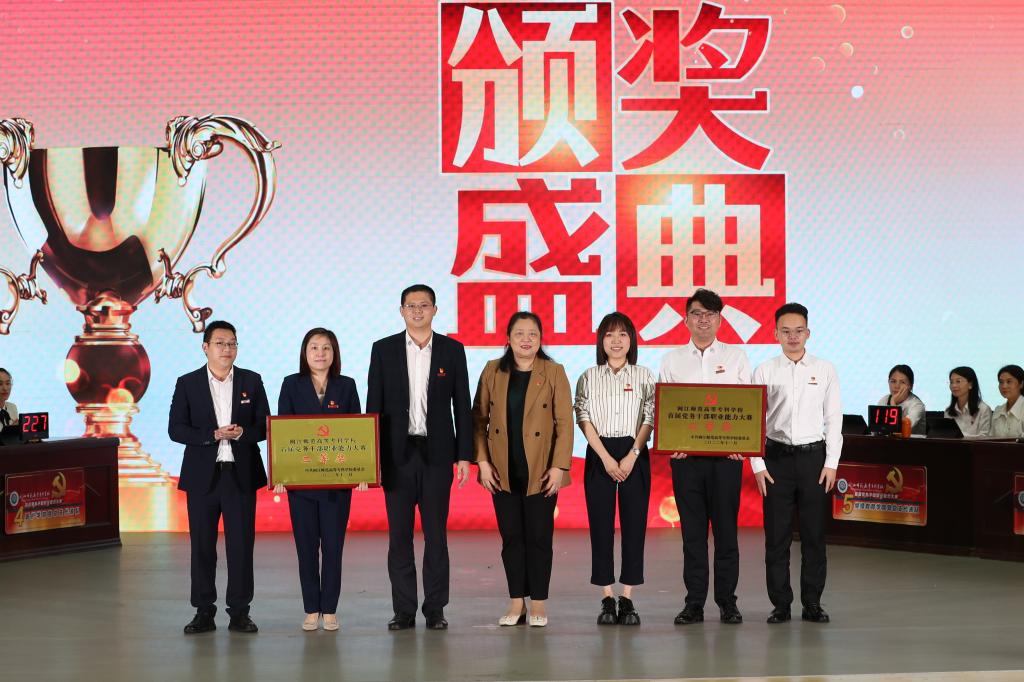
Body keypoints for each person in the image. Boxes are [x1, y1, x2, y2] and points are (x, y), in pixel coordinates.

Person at [366, 284, 473, 631]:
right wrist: (372, 459)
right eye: (410, 305)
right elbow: (373, 406)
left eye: (423, 305)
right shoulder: (383, 350)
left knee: (436, 536)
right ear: (401, 311)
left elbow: (463, 405)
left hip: (438, 455)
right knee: (399, 537)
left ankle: (435, 609)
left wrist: (464, 456)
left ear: (435, 310)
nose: (417, 311)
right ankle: (404, 610)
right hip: (396, 456)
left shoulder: (452, 350)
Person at [168, 320, 270, 635]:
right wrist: (212, 434)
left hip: (240, 475)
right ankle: (203, 611)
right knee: (202, 546)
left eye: (232, 343)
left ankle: (240, 612)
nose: (227, 349)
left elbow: (265, 425)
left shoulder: (252, 381)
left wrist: (242, 433)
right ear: (206, 347)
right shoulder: (188, 383)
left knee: (241, 546)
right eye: (220, 343)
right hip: (203, 477)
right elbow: (176, 429)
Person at [473, 311, 573, 627]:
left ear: (541, 339)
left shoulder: (554, 371)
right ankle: (516, 601)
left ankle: (539, 602)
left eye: (533, 334)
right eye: (519, 333)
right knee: (512, 538)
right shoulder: (493, 370)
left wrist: (559, 466)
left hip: (542, 470)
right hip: (501, 469)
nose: (526, 340)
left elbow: (565, 423)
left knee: (540, 538)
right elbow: (478, 419)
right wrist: (482, 462)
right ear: (508, 338)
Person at [658, 289, 750, 626]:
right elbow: (666, 408)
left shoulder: (737, 357)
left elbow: (747, 406)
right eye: (697, 313)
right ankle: (694, 603)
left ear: (720, 319)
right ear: (686, 319)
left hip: (726, 459)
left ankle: (728, 602)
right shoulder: (671, 360)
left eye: (711, 314)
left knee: (726, 534)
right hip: (686, 461)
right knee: (692, 536)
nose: (703, 320)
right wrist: (671, 441)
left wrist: (742, 442)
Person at [750, 302, 841, 625]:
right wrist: (758, 465)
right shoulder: (764, 370)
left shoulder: (825, 369)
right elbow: (753, 421)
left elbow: (833, 419)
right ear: (775, 334)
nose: (792, 337)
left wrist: (831, 463)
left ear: (808, 333)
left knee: (814, 536)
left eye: (798, 331)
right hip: (776, 458)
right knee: (777, 537)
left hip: (814, 459)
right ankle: (781, 604)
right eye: (786, 331)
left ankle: (812, 602)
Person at [274, 328, 362, 632]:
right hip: (301, 485)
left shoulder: (347, 385)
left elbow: (357, 432)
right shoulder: (291, 384)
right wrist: (281, 473)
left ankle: (330, 610)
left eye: (326, 348)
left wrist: (362, 472)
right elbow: (282, 432)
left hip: (337, 484)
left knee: (334, 549)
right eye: (314, 347)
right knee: (306, 549)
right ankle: (311, 608)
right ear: (305, 352)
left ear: (334, 353)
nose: (320, 353)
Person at [574, 312, 655, 626]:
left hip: (635, 453)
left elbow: (650, 416)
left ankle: (628, 598)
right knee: (600, 525)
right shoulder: (588, 376)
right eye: (609, 335)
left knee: (635, 525)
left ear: (632, 339)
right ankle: (607, 596)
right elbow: (583, 417)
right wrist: (606, 459)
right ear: (601, 340)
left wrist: (633, 454)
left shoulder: (644, 375)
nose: (616, 341)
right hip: (600, 453)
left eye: (623, 334)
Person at [944, 366, 992, 438]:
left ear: (970, 384)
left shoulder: (983, 409)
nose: (953, 385)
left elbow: (984, 437)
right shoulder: (948, 411)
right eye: (951, 382)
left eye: (958, 381)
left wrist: (958, 436)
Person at [878, 364, 926, 435]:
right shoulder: (884, 400)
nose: (897, 386)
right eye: (893, 381)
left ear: (910, 386)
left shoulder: (917, 405)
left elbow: (901, 430)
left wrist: (893, 403)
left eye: (902, 382)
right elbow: (876, 431)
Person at [991, 365, 1024, 439]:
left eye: (1009, 382)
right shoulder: (998, 410)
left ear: (1021, 384)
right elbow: (990, 439)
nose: (1004, 386)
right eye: (1001, 382)